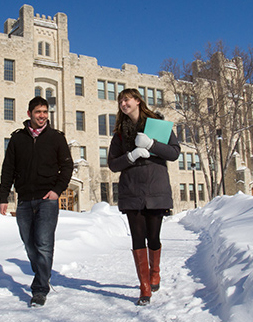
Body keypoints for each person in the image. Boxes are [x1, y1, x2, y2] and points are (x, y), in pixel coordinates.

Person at [0, 96, 73, 307]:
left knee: (43, 243)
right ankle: (42, 272)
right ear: (29, 113)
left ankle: (40, 288)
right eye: (38, 112)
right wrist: (3, 196)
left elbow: (67, 166)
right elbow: (8, 169)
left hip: (47, 200)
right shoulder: (17, 138)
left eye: (45, 112)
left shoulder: (56, 138)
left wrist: (57, 190)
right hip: (24, 200)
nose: (42, 116)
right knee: (30, 245)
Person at [108, 88, 180, 306]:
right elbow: (112, 164)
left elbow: (174, 153)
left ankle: (155, 271)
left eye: (127, 99)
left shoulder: (157, 124)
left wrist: (151, 145)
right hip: (132, 190)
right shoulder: (120, 133)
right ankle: (145, 287)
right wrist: (131, 155)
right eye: (120, 101)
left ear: (138, 101)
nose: (123, 104)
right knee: (138, 238)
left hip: (155, 187)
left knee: (154, 237)